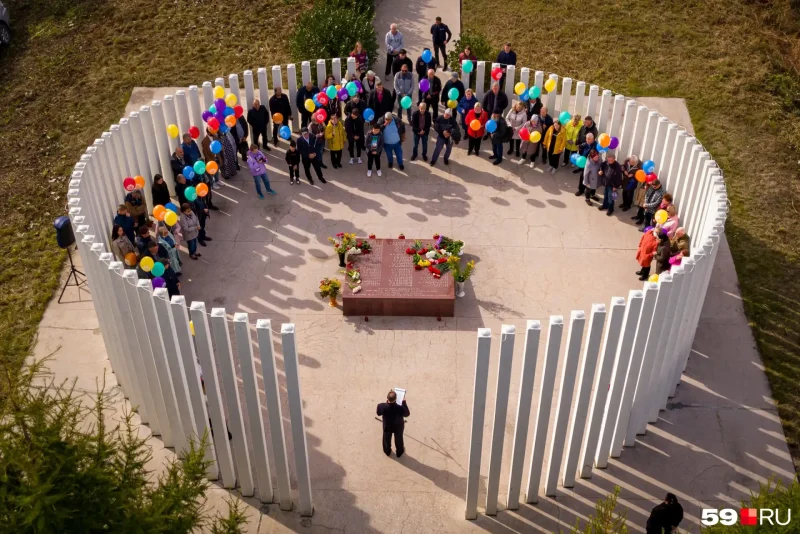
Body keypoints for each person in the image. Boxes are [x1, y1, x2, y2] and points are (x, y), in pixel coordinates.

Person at [376, 390, 410, 457]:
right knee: (399, 439)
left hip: (387, 426)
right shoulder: (400, 408)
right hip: (398, 426)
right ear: (396, 399)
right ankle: (399, 452)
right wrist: (404, 403)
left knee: (386, 438)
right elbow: (407, 414)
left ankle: (387, 451)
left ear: (387, 398)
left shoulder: (381, 406)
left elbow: (378, 413)